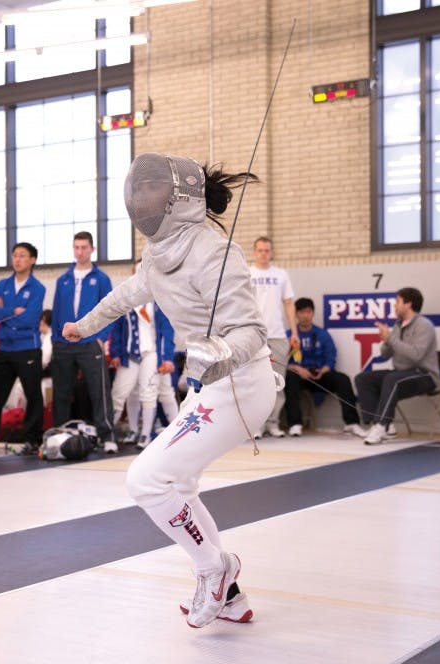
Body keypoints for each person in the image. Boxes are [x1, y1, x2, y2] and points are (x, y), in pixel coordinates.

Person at [63, 152, 275, 629]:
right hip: (207, 383)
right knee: (178, 485)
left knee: (146, 480)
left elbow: (250, 330)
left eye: (151, 187)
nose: (141, 197)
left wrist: (214, 351)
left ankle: (214, 570)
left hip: (240, 382)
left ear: (180, 197)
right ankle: (230, 596)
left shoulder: (215, 252)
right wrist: (84, 325)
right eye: (138, 189)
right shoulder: (159, 254)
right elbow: (126, 295)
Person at [50, 232, 117, 452]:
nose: (79, 252)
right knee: (61, 392)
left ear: (92, 249)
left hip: (90, 343)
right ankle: (59, 436)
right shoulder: (63, 279)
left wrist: (102, 337)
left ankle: (108, 436)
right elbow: (56, 312)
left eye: (83, 247)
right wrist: (55, 339)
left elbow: (110, 311)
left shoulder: (102, 279)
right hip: (64, 344)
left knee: (99, 391)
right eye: (76, 247)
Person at [0, 242, 46, 456]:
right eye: (15, 255)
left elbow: (30, 318)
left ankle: (32, 440)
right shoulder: (2, 284)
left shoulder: (38, 288)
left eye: (22, 256)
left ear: (32, 260)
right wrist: (13, 311)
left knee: (32, 395)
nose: (17, 259)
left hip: (27, 347)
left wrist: (5, 312)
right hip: (5, 347)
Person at [355, 287, 440, 445]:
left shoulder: (424, 325)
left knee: (392, 379)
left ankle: (381, 425)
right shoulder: (398, 325)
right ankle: (383, 426)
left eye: (397, 301)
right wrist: (386, 341)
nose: (394, 305)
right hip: (401, 373)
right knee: (363, 379)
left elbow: (416, 354)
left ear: (408, 304)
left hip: (424, 375)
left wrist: (391, 340)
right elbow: (385, 354)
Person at [283, 298, 366, 437]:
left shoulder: (322, 334)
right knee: (289, 378)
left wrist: (323, 370)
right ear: (296, 314)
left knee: (342, 379)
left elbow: (331, 357)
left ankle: (352, 423)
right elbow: (281, 361)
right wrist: (298, 369)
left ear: (313, 313)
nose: (305, 316)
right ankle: (295, 424)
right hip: (299, 375)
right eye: (301, 312)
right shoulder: (289, 335)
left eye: (308, 312)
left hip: (320, 375)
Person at [109, 294, 176, 449]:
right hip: (129, 355)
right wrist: (115, 353)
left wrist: (167, 357)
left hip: (152, 352)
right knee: (120, 393)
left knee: (150, 392)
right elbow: (117, 328)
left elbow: (167, 329)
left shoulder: (159, 300)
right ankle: (112, 433)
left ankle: (146, 434)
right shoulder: (125, 299)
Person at [249, 236, 298, 438]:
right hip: (254, 335)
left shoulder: (281, 274)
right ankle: (256, 425)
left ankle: (273, 423)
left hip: (277, 335)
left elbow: (289, 303)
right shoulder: (247, 274)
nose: (264, 254)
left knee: (277, 382)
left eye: (267, 250)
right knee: (255, 383)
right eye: (260, 250)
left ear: (272, 252)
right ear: (254, 252)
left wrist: (294, 332)